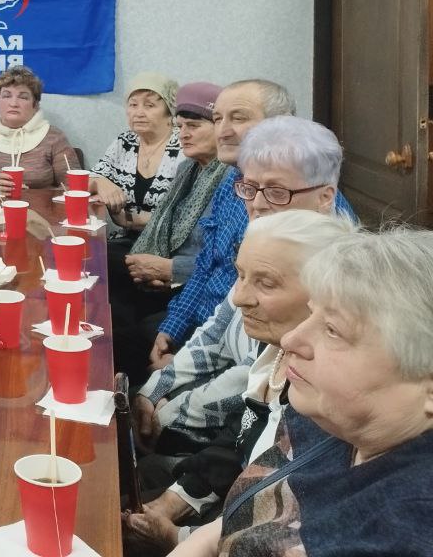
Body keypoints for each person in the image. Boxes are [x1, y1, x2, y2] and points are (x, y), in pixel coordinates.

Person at [167, 229, 433, 557]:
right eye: (312, 314)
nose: (291, 340)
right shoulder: (332, 420)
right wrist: (199, 543)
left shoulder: (406, 530)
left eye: (333, 330)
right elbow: (242, 516)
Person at [126, 209, 357, 553]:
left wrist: (178, 537)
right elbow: (240, 436)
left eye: (266, 283)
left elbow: (278, 518)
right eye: (240, 275)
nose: (238, 298)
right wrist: (171, 503)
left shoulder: (324, 397)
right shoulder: (271, 351)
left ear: (324, 297)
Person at [151, 79, 306, 368]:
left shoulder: (303, 198)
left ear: (282, 125)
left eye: (239, 118)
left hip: (243, 353)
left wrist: (182, 367)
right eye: (218, 118)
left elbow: (271, 341)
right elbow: (205, 266)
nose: (222, 131)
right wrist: (172, 328)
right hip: (204, 329)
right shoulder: (232, 181)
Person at [110, 81, 225, 383]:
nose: (183, 134)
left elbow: (225, 263)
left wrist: (170, 269)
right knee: (100, 268)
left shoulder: (231, 181)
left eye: (194, 126)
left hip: (188, 285)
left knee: (119, 332)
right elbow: (164, 224)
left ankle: (131, 383)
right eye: (180, 126)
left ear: (221, 127)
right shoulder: (189, 168)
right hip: (166, 272)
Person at [0, 64, 79, 195]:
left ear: (35, 105)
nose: (13, 103)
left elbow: (73, 184)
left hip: (41, 207)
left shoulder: (53, 136)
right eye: (6, 96)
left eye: (23, 97)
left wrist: (38, 197)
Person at [91, 72, 184, 234]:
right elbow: (81, 182)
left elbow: (186, 216)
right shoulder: (125, 142)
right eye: (133, 105)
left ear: (170, 112)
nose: (139, 113)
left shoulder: (184, 145)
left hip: (169, 242)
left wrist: (128, 219)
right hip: (128, 239)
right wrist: (100, 182)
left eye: (149, 105)